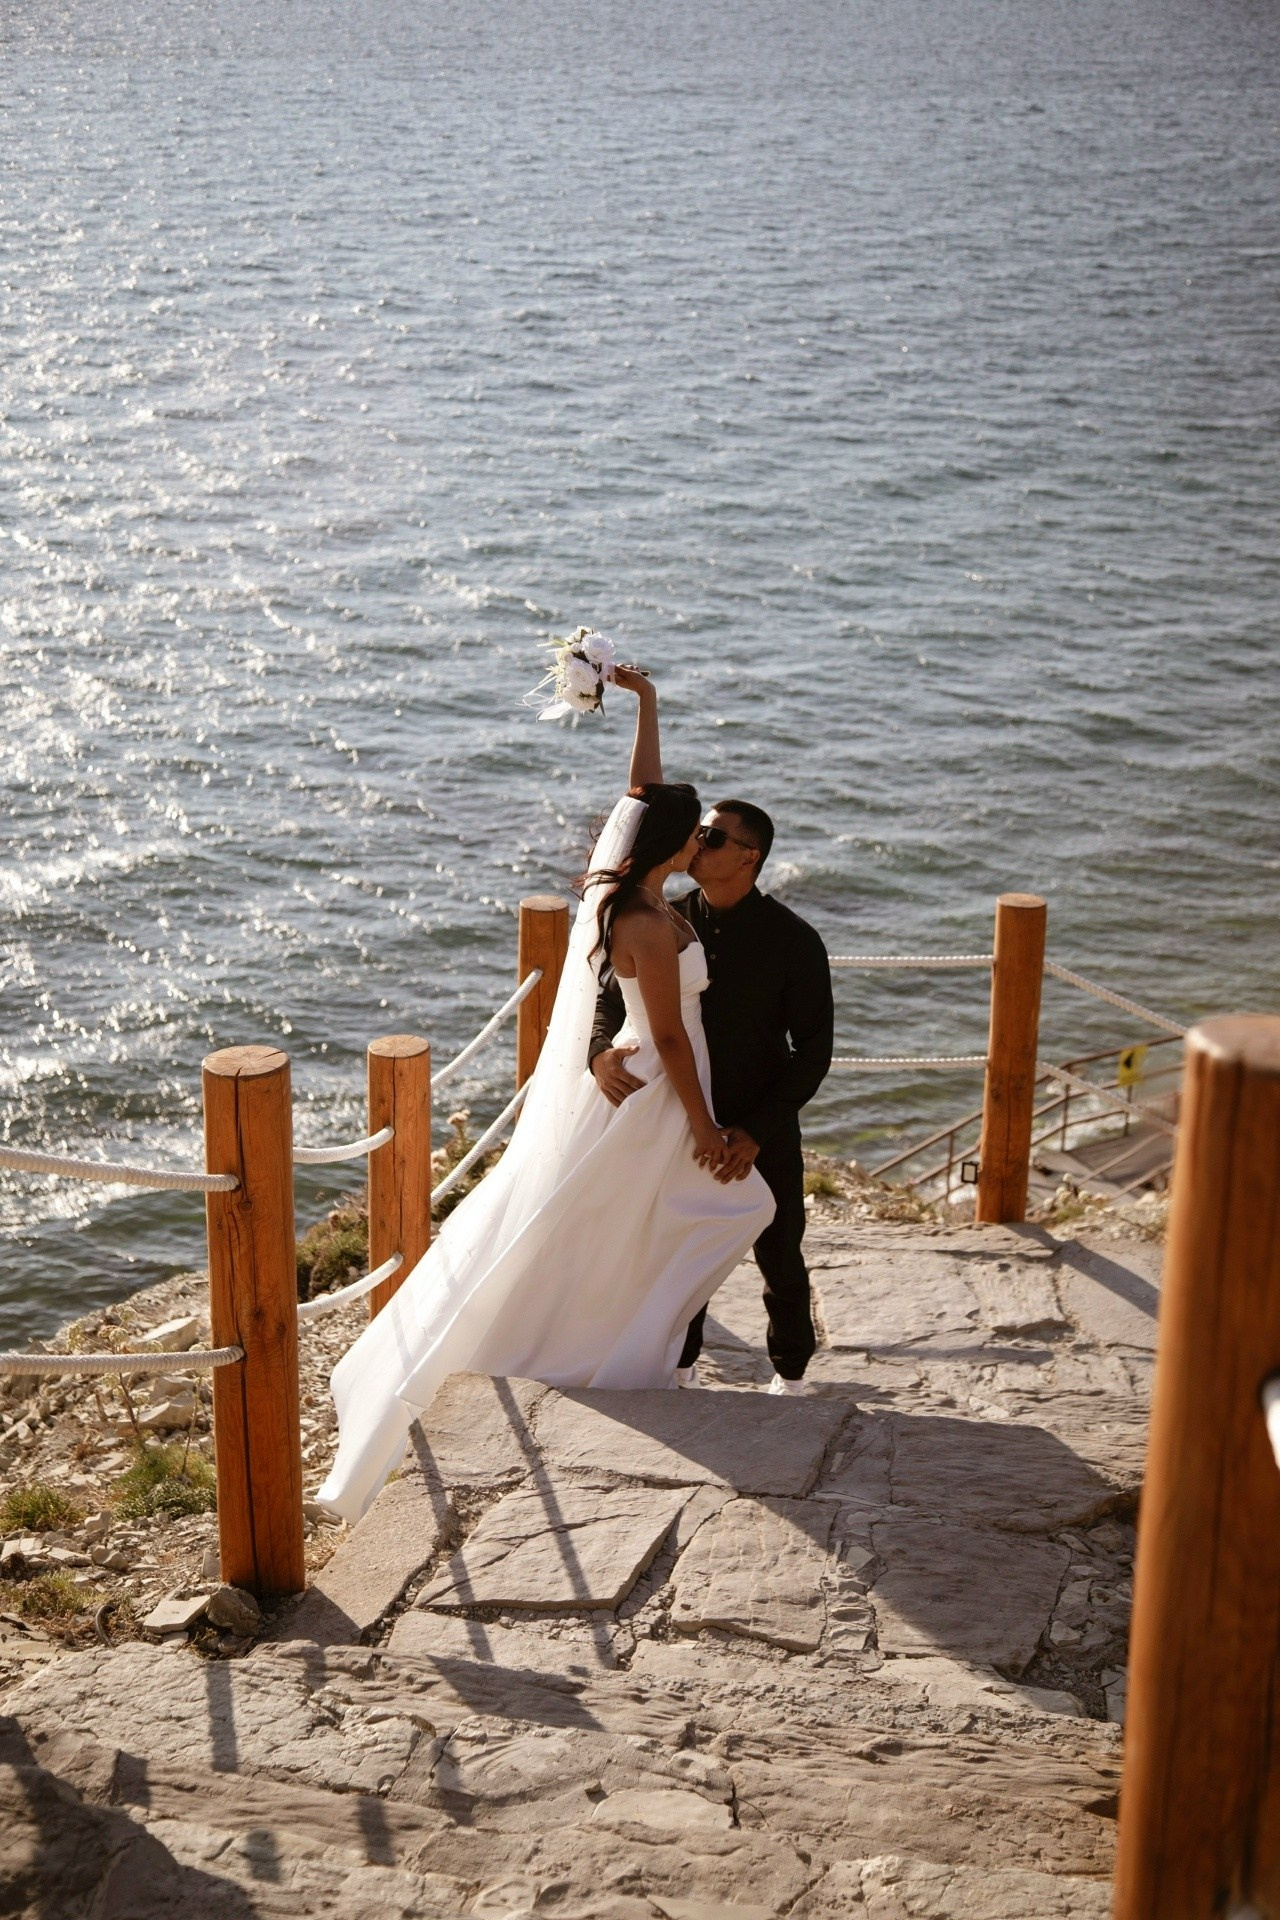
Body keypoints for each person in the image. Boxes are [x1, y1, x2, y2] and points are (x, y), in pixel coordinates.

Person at [316, 668, 774, 1523]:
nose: (702, 843)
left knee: (621, 1224)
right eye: (696, 834)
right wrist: (706, 1124)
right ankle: (613, 1350)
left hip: (646, 1079)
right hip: (658, 1091)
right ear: (674, 845)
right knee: (730, 1208)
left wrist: (644, 701)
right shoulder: (647, 922)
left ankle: (633, 1344)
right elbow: (671, 1036)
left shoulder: (620, 891)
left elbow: (641, 796)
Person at [590, 759, 833, 1395]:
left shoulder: (794, 940)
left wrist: (755, 1130)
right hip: (676, 1114)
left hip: (761, 1120)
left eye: (715, 837)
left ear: (750, 856)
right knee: (681, 1245)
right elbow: (610, 998)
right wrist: (598, 1053)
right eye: (699, 832)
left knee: (779, 1248)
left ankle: (792, 1376)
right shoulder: (666, 917)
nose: (699, 842)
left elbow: (814, 1051)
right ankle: (680, 1366)